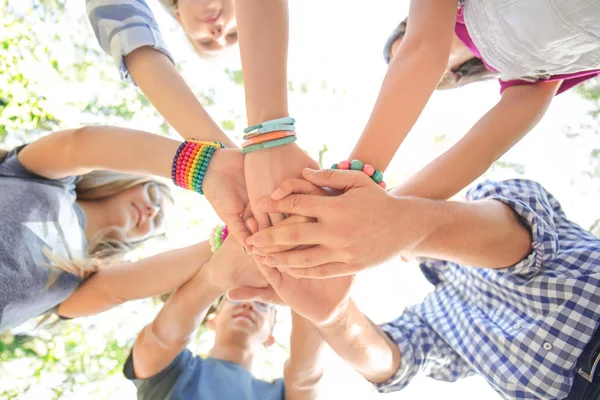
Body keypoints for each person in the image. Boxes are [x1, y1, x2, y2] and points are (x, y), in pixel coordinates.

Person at [230, 0, 600, 234]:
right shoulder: (528, 78)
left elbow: (424, 50)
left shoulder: (448, 18)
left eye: (400, 49)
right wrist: (370, 214)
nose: (406, 62)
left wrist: (355, 181)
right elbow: (482, 149)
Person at [234, 171, 600, 399]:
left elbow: (520, 245)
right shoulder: (435, 314)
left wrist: (401, 225)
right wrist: (334, 316)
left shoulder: (494, 197)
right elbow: (392, 364)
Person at [0, 124, 249, 332]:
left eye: (157, 222)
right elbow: (78, 145)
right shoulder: (47, 180)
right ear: (129, 181)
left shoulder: (80, 280)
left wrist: (237, 236)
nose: (151, 211)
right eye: (153, 195)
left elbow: (117, 290)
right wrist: (205, 169)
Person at [124, 233, 324, 400]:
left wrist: (302, 276)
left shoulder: (280, 394)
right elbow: (160, 339)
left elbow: (305, 377)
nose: (247, 303)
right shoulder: (177, 371)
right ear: (213, 320)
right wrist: (216, 277)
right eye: (234, 298)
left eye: (263, 304)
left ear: (269, 338)